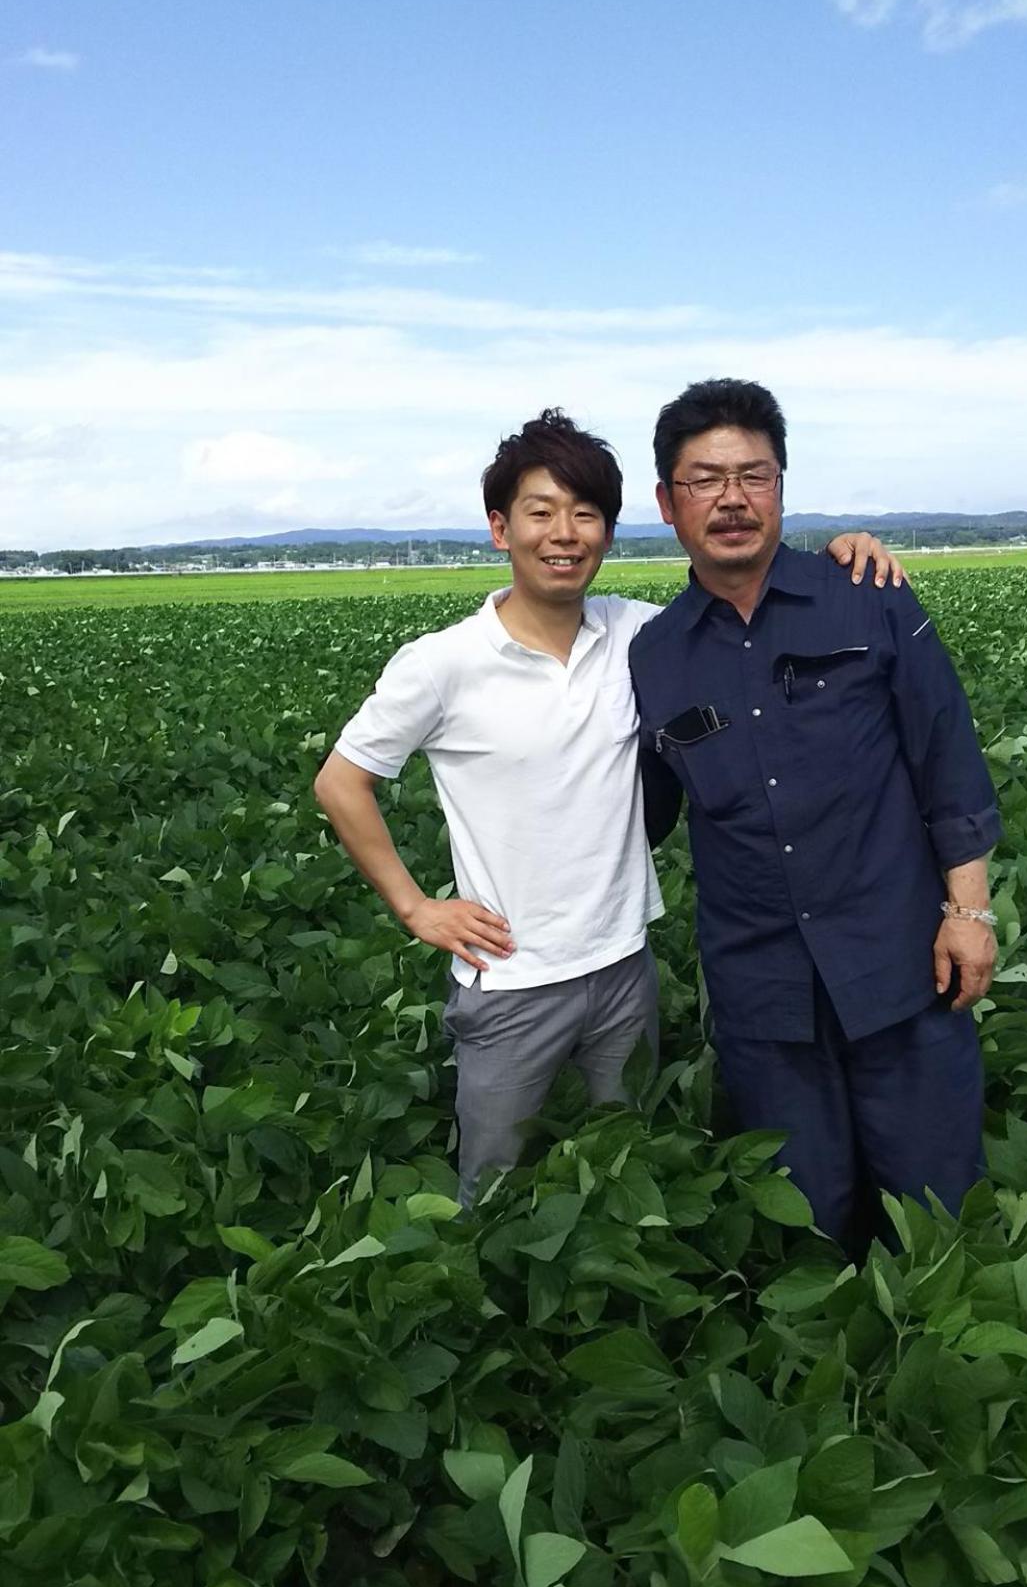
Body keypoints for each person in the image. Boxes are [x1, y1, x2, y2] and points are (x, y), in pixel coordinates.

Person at [314, 408, 905, 1203]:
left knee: (626, 1187)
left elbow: (740, 617)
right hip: (511, 980)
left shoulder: (640, 636)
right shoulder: (443, 664)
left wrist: (842, 558)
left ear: (610, 530)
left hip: (626, 967)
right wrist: (418, 908)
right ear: (500, 528)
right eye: (541, 512)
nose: (565, 534)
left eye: (586, 513)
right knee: (494, 1195)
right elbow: (341, 780)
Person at [631, 378, 1000, 1252]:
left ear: (782, 486)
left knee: (937, 1202)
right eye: (704, 479)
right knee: (804, 1215)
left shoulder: (866, 593)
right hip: (763, 988)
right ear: (666, 503)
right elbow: (633, 815)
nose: (732, 499)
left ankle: (950, 1367)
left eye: (753, 475)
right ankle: (826, 1378)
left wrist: (970, 909)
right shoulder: (654, 655)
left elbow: (944, 753)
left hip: (902, 961)